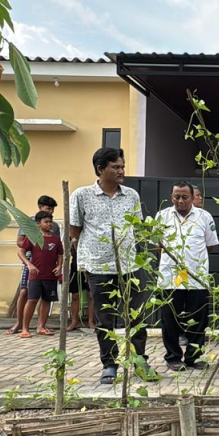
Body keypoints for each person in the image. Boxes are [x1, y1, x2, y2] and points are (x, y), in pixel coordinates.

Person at [69, 147, 147, 385]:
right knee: (105, 319)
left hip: (129, 266)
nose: (121, 171)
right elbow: (75, 231)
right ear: (100, 169)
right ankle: (110, 364)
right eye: (115, 167)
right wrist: (84, 261)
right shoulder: (82, 196)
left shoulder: (131, 195)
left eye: (122, 166)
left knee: (137, 317)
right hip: (98, 267)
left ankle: (139, 362)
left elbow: (138, 228)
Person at [157, 181, 219, 371]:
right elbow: (158, 245)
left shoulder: (205, 217)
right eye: (177, 197)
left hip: (197, 278)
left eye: (185, 197)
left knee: (198, 320)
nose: (181, 200)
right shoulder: (162, 216)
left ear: (193, 197)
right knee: (170, 321)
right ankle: (173, 357)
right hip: (169, 278)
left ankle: (195, 357)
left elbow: (210, 245)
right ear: (171, 197)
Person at [7, 195, 59, 335]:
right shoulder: (29, 222)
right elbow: (20, 243)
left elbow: (57, 247)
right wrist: (35, 244)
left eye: (52, 210)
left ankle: (41, 326)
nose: (51, 212)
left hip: (48, 267)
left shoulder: (54, 226)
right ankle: (20, 324)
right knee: (25, 292)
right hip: (31, 263)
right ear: (40, 207)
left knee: (46, 297)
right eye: (48, 209)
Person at [16, 211, 63, 337]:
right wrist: (29, 264)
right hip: (36, 275)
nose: (49, 224)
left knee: (47, 301)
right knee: (32, 300)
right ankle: (25, 329)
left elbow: (60, 255)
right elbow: (21, 252)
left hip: (51, 275)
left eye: (50, 222)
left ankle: (41, 326)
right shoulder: (33, 237)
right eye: (46, 222)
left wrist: (59, 266)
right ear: (38, 224)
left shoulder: (56, 239)